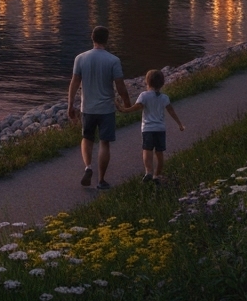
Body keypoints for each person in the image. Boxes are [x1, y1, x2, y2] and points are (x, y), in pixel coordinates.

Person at [68, 25, 130, 190]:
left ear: (92, 38)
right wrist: (127, 103)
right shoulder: (113, 60)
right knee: (104, 143)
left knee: (87, 139)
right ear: (107, 40)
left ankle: (88, 167)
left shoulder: (80, 58)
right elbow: (120, 86)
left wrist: (70, 105)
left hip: (87, 107)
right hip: (106, 109)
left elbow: (74, 83)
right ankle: (101, 180)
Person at [117, 69, 185, 182]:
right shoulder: (165, 98)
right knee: (159, 153)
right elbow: (172, 112)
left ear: (147, 82)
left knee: (147, 150)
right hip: (160, 129)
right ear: (162, 83)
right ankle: (157, 175)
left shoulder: (144, 96)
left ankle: (148, 171)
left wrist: (123, 109)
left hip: (147, 128)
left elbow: (136, 107)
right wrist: (180, 124)